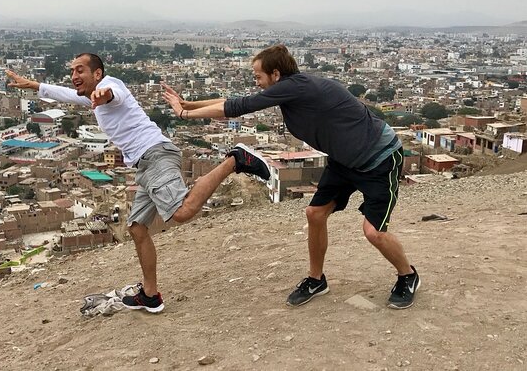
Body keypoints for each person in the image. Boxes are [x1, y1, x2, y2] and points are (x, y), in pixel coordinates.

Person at [7, 53, 270, 313]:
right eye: (72, 71)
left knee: (182, 212)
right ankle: (150, 295)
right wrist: (32, 85)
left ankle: (235, 160)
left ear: (97, 74)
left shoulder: (111, 85)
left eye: (80, 70)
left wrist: (104, 93)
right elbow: (64, 93)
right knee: (136, 228)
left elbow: (114, 94)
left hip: (155, 154)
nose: (74, 76)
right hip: (145, 164)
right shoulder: (91, 97)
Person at [163, 44, 420, 309]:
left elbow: (238, 106)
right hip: (344, 161)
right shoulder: (290, 92)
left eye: (258, 76)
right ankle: (316, 279)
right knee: (315, 214)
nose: (257, 82)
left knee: (373, 233)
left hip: (378, 158)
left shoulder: (297, 86)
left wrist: (184, 114)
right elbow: (238, 101)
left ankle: (407, 275)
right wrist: (187, 104)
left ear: (275, 74)